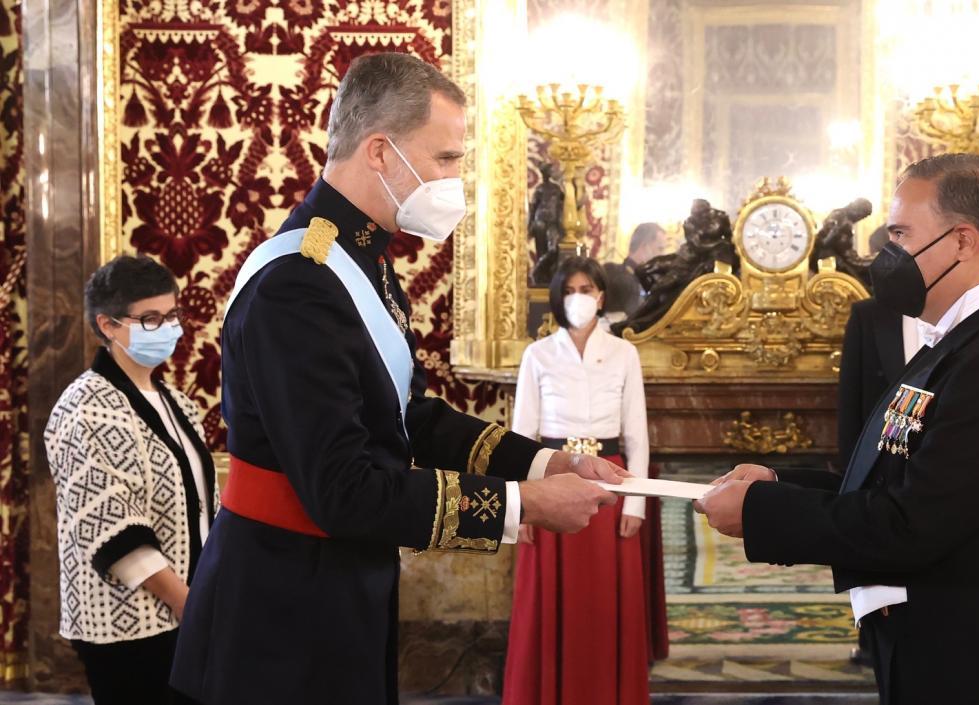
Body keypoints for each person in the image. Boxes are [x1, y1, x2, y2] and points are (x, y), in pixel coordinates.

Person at [171, 53, 625, 705]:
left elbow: (411, 418)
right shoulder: (298, 284)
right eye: (445, 159)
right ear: (381, 152)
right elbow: (345, 489)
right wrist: (522, 506)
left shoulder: (363, 262)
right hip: (278, 615)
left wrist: (545, 463)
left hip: (339, 589)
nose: (455, 179)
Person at [697, 154, 979, 705]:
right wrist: (777, 482)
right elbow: (901, 479)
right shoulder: (962, 338)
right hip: (944, 647)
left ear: (962, 241)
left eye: (900, 234)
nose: (887, 254)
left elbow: (913, 523)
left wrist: (760, 512)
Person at [44, 256, 217, 705]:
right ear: (108, 325)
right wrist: (187, 603)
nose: (168, 328)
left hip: (187, 612)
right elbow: (111, 526)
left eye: (173, 315)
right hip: (129, 622)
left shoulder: (178, 402)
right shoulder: (85, 406)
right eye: (150, 319)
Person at [503, 256, 652, 705]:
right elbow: (519, 436)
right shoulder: (539, 354)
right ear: (557, 298)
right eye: (569, 291)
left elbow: (637, 434)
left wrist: (636, 503)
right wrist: (519, 505)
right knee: (549, 603)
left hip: (611, 479)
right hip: (550, 476)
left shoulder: (625, 353)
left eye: (586, 290)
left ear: (601, 296)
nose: (579, 298)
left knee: (604, 601)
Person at [834, 297, 918, 668]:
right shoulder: (868, 315)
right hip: (879, 463)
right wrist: (852, 471)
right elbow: (852, 399)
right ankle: (871, 640)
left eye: (904, 233)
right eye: (895, 234)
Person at [604, 222, 667, 319]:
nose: (663, 255)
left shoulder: (653, 279)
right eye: (660, 249)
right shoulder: (613, 274)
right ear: (645, 246)